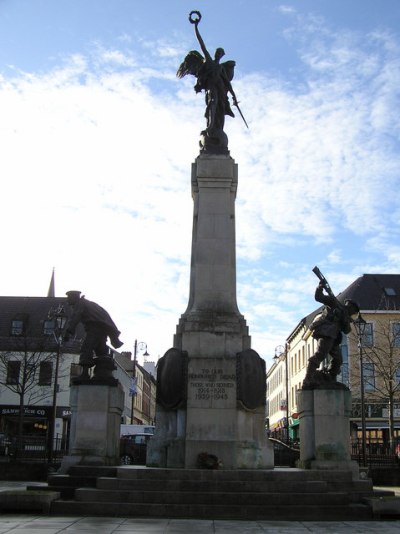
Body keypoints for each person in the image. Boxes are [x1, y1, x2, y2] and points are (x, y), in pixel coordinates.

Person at [303, 282, 359, 388]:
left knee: (338, 360)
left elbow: (347, 330)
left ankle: (331, 379)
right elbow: (318, 297)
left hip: (334, 338)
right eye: (353, 310)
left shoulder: (345, 316)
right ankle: (308, 379)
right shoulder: (334, 303)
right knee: (320, 355)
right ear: (350, 307)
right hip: (325, 333)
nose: (352, 313)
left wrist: (345, 319)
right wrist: (320, 288)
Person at [63, 291, 123, 367]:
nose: (67, 300)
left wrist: (68, 332)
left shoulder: (80, 304)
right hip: (102, 328)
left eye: (69, 298)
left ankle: (85, 373)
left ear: (74, 297)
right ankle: (104, 371)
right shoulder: (89, 303)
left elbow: (75, 317)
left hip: (94, 328)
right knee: (101, 350)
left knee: (86, 349)